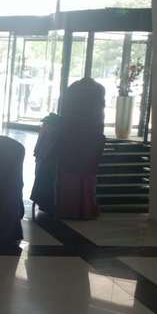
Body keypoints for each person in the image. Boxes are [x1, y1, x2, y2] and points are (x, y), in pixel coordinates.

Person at [55, 76, 106, 220]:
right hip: (91, 138)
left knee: (69, 173)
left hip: (71, 137)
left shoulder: (72, 90)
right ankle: (86, 209)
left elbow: (63, 113)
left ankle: (67, 208)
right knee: (87, 174)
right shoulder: (98, 91)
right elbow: (100, 115)